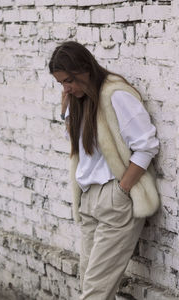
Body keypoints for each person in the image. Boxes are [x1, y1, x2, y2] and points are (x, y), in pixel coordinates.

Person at [49, 41, 160, 300]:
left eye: (68, 81)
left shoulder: (115, 95)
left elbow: (147, 147)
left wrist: (122, 190)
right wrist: (66, 114)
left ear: (83, 69)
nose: (65, 88)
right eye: (61, 84)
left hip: (114, 200)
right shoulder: (82, 100)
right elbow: (81, 150)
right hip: (88, 201)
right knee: (90, 283)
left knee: (95, 292)